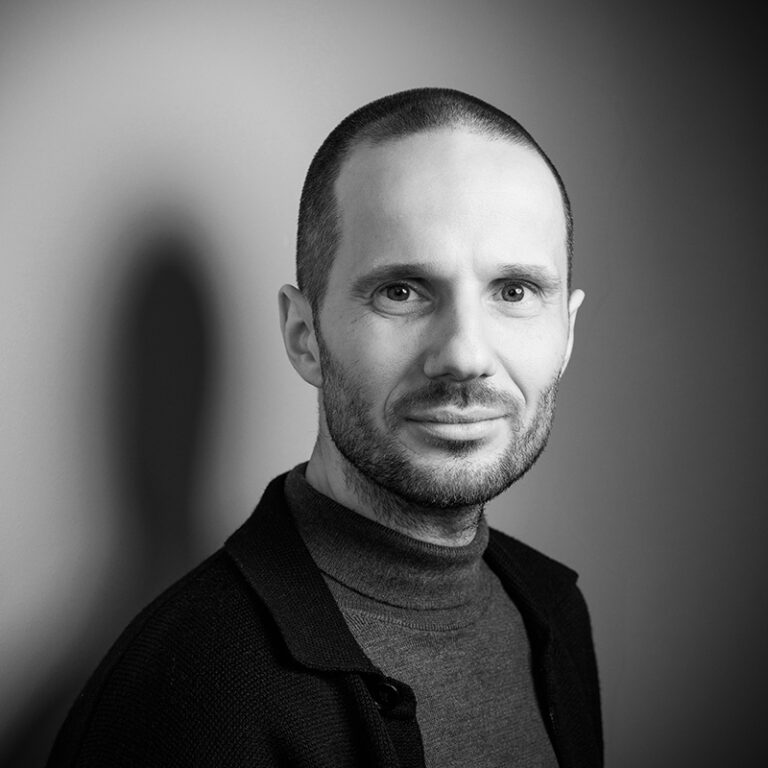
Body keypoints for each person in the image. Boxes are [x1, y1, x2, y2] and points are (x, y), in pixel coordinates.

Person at [48, 88, 602, 768]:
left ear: (566, 333)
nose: (465, 355)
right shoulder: (189, 691)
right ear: (304, 336)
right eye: (401, 291)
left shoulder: (554, 614)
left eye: (514, 292)